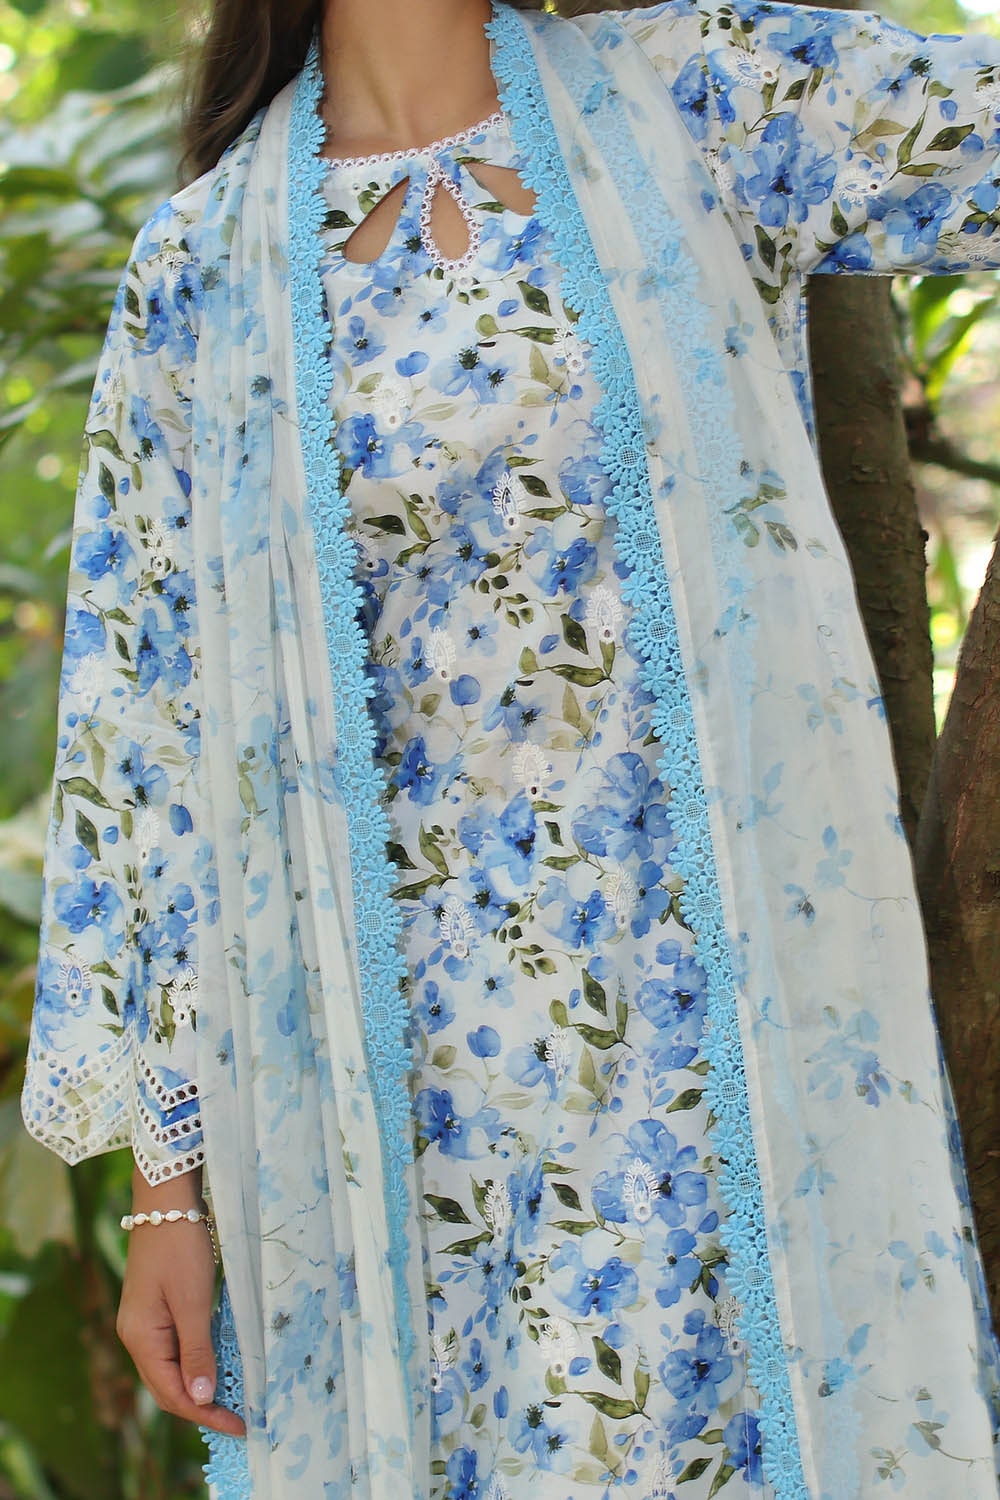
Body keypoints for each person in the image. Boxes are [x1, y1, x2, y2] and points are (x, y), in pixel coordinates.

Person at [20, 0, 1000, 1495]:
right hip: (394, 1115)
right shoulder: (201, 269)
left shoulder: (706, 98)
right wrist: (170, 1192)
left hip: (721, 1054)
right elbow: (149, 752)